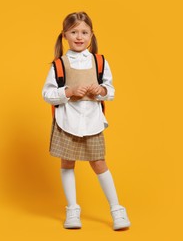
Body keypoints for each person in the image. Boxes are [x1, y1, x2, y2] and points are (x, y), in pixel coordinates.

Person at [42, 12, 131, 230]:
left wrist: (100, 90)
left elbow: (110, 90)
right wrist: (68, 91)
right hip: (67, 122)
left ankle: (117, 209)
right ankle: (72, 210)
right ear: (65, 35)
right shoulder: (58, 65)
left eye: (84, 32)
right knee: (67, 163)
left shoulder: (99, 62)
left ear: (91, 35)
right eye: (74, 32)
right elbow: (47, 94)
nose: (79, 37)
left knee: (99, 163)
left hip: (92, 122)